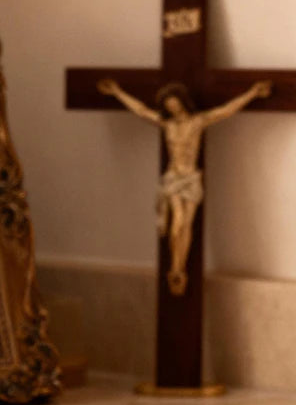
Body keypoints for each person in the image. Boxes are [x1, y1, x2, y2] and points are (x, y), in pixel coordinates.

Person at [97, 78, 271, 295]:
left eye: (175, 104)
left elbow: (226, 110)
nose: (173, 108)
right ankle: (175, 267)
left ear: (182, 102)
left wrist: (252, 93)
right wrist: (117, 91)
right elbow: (141, 111)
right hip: (173, 178)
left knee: (186, 224)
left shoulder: (198, 122)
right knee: (177, 222)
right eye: (169, 105)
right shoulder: (168, 124)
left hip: (191, 178)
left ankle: (180, 268)